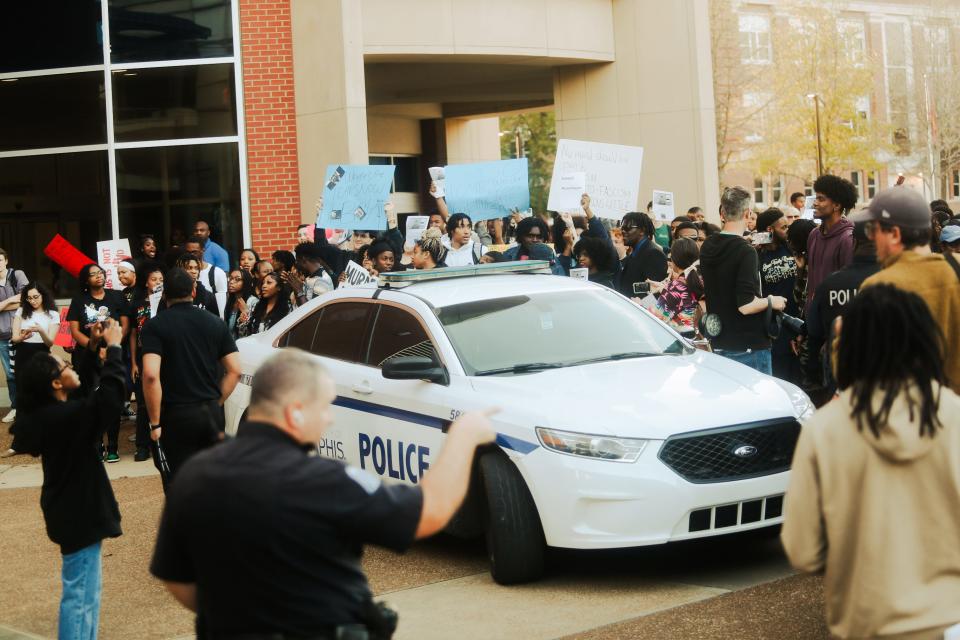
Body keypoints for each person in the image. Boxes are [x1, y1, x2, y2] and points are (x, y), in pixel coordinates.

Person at [150, 350, 496, 639]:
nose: (328, 419)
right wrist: (463, 436)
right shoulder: (324, 481)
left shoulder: (193, 475)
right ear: (295, 411)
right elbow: (429, 512)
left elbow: (175, 577)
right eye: (325, 406)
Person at [781, 284, 960, 639]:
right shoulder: (952, 414)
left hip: (864, 612)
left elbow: (803, 549)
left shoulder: (826, 428)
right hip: (947, 609)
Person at [14, 319, 125, 640]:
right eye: (63, 364)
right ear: (55, 384)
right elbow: (108, 401)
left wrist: (91, 348)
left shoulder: (54, 414)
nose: (69, 364)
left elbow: (86, 389)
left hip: (71, 510)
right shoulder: (62, 419)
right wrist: (115, 348)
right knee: (80, 595)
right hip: (78, 512)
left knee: (88, 593)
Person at [852, 188, 960, 394]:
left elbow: (860, 372)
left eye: (872, 230)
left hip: (917, 415)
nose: (871, 239)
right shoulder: (957, 267)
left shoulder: (877, 287)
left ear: (894, 234)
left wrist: (840, 339)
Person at [141, 268, 241, 490]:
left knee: (178, 481)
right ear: (194, 291)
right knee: (213, 479)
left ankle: (184, 523)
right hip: (210, 411)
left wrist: (155, 421)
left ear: (165, 295)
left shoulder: (154, 326)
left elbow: (150, 375)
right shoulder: (216, 323)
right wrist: (216, 402)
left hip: (175, 414)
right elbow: (235, 370)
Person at [700, 187, 786, 374]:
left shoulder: (708, 245)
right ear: (748, 214)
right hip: (748, 346)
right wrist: (773, 301)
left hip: (720, 341)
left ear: (722, 213)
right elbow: (746, 305)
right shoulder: (745, 251)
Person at [805, 222, 880, 395]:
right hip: (885, 376)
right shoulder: (892, 279)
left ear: (853, 243)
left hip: (840, 378)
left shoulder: (830, 283)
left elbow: (814, 331)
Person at [67, 263, 130, 462]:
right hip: (87, 356)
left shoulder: (116, 296)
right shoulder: (79, 300)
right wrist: (94, 347)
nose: (98, 277)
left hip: (112, 353)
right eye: (93, 275)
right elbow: (75, 331)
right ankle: (97, 444)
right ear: (86, 280)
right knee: (90, 399)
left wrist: (112, 346)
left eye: (100, 273)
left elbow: (126, 324)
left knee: (112, 398)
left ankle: (112, 446)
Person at [2, 283, 60, 458]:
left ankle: (47, 441)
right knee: (22, 399)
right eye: (29, 298)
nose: (33, 301)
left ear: (43, 296)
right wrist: (22, 336)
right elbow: (14, 338)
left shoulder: (53, 314)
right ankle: (18, 444)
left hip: (41, 355)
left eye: (36, 297)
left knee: (44, 398)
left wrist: (41, 330)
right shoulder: (21, 311)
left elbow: (50, 342)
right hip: (23, 354)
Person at [755, 208, 800, 383]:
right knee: (782, 378)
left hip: (798, 321)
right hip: (776, 327)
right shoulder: (757, 256)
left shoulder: (792, 248)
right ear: (769, 230)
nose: (787, 230)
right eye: (783, 227)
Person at [128, 263, 165, 462]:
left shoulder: (167, 302)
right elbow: (133, 334)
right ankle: (142, 445)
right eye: (154, 279)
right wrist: (134, 362)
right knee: (143, 402)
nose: (158, 283)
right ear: (146, 282)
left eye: (161, 280)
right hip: (143, 356)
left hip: (164, 356)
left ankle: (162, 443)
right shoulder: (138, 303)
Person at [805, 175, 856, 315]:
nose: (814, 203)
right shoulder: (814, 235)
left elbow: (849, 287)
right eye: (815, 198)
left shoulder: (848, 239)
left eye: (821, 199)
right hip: (813, 320)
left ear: (837, 205)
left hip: (835, 321)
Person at [646, 237, 704, 334]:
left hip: (679, 339)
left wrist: (643, 301)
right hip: (696, 336)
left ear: (674, 260)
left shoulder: (676, 286)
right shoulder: (701, 280)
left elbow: (655, 316)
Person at [0, 249, 28, 424]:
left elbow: (28, 298)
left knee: (25, 371)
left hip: (23, 333)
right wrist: (14, 301)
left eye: (0, 260)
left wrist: (4, 303)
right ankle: (16, 407)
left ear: (6, 261)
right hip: (3, 335)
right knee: (11, 375)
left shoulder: (17, 275)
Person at [616, 211, 668, 298]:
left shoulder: (654, 254)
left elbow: (653, 288)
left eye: (628, 228)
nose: (623, 231)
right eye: (622, 228)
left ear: (642, 230)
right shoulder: (636, 251)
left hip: (640, 308)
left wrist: (632, 292)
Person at [501, 217, 565, 274]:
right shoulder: (509, 255)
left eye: (539, 236)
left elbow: (560, 280)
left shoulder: (551, 257)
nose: (535, 240)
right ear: (521, 236)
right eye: (530, 236)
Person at [185, 237, 228, 320]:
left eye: (194, 252)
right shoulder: (179, 274)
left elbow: (221, 308)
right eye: (188, 252)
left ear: (203, 250)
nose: (191, 255)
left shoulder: (217, 273)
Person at [241, 273, 293, 337]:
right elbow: (246, 333)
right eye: (263, 283)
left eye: (269, 283)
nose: (264, 286)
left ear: (279, 287)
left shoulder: (287, 307)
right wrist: (243, 321)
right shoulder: (257, 306)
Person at [175, 252, 219, 318]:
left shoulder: (208, 296)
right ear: (180, 270)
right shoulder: (172, 294)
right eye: (189, 268)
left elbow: (216, 321)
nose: (194, 271)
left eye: (196, 268)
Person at [224, 269, 256, 339]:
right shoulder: (230, 301)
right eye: (231, 278)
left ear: (246, 282)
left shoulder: (253, 302)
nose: (231, 282)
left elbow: (254, 331)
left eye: (237, 279)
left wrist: (246, 313)